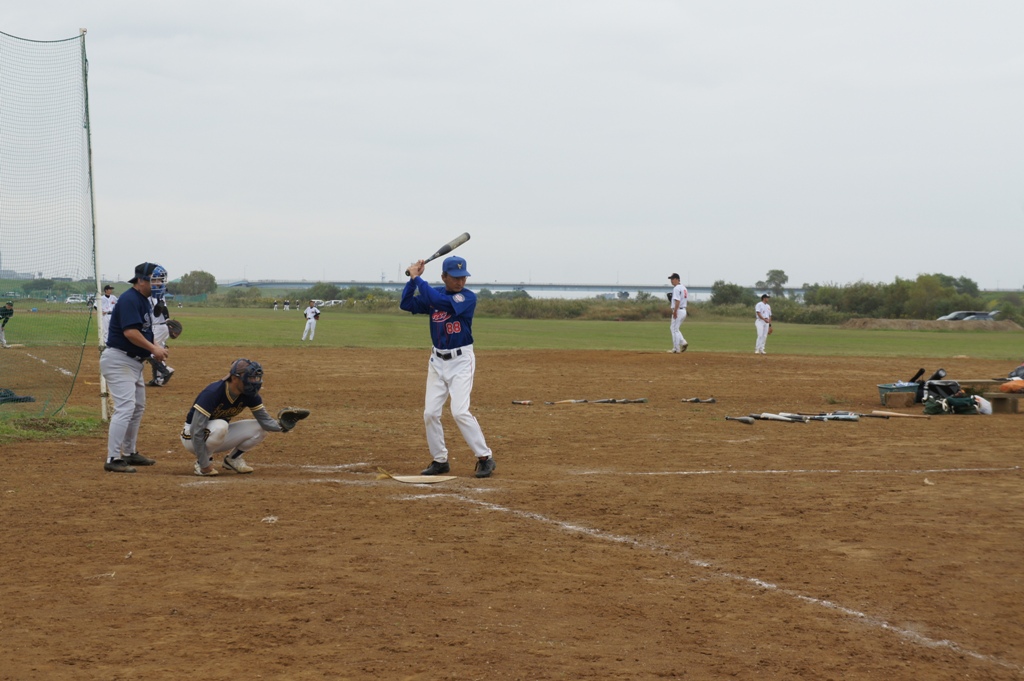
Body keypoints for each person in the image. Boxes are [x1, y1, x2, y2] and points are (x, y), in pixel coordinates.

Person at [400, 256, 495, 478]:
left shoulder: (467, 297)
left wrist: (417, 278)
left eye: (463, 277)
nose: (460, 282)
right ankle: (440, 460)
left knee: (460, 411)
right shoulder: (434, 293)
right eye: (455, 277)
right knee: (430, 413)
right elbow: (406, 303)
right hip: (437, 361)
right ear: (444, 277)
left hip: (461, 361)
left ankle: (485, 458)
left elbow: (440, 303)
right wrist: (413, 281)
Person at [99, 262, 169, 473]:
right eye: (155, 280)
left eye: (160, 280)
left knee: (137, 407)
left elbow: (142, 331)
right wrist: (152, 349)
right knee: (126, 407)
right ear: (141, 280)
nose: (159, 284)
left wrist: (154, 346)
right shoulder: (131, 299)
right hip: (120, 360)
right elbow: (130, 333)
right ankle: (112, 458)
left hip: (132, 362)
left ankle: (129, 452)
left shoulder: (143, 300)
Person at [180, 358, 285, 476]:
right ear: (235, 378)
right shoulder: (213, 392)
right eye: (249, 378)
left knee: (261, 427)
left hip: (215, 434)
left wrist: (284, 425)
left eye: (255, 378)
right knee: (221, 426)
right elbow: (196, 430)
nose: (254, 381)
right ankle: (202, 463)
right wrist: (204, 464)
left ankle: (233, 459)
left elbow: (266, 422)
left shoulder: (249, 394)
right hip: (191, 436)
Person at [146, 295, 175, 386]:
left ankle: (165, 370)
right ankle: (157, 379)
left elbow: (162, 307)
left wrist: (167, 319)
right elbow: (163, 307)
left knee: (148, 350)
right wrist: (167, 319)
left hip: (157, 326)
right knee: (157, 352)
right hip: (161, 326)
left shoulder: (154, 296)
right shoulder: (158, 295)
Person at [667, 273, 688, 353]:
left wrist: (675, 311)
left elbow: (678, 300)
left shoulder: (676, 288)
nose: (671, 281)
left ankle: (676, 349)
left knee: (674, 329)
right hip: (683, 310)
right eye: (671, 279)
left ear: (677, 279)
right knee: (675, 328)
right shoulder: (683, 288)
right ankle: (683, 342)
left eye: (672, 279)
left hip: (678, 310)